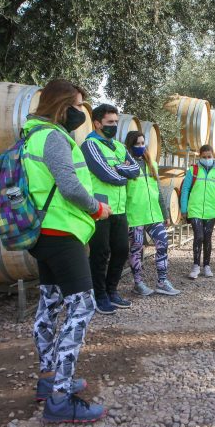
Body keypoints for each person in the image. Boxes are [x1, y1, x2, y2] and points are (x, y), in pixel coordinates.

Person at [23, 79, 108, 422]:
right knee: (83, 307)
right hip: (62, 230)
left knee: (49, 302)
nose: (79, 112)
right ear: (61, 106)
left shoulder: (31, 135)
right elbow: (70, 187)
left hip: (43, 232)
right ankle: (60, 397)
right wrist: (96, 209)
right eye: (76, 105)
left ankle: (48, 378)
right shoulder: (55, 138)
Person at [81, 104, 139, 314]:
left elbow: (136, 169)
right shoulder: (90, 146)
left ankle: (112, 291)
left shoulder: (119, 147)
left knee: (122, 250)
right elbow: (107, 175)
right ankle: (99, 295)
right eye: (109, 122)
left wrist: (120, 169)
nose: (114, 126)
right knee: (100, 253)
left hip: (120, 209)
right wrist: (123, 174)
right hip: (100, 209)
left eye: (115, 122)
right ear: (97, 123)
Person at [124, 131, 181, 297]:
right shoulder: (126, 165)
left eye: (143, 143)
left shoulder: (152, 165)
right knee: (136, 249)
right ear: (130, 146)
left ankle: (162, 281)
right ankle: (138, 283)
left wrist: (165, 214)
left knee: (163, 244)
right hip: (135, 215)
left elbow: (158, 192)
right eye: (137, 144)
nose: (141, 147)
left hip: (154, 215)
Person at [182, 145, 215, 279]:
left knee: (207, 238)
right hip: (195, 209)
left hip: (212, 210)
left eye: (209, 156)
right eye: (204, 157)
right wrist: (184, 209)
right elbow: (185, 189)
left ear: (213, 156)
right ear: (200, 157)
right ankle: (196, 266)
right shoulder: (193, 170)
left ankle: (207, 266)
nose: (207, 159)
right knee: (199, 236)